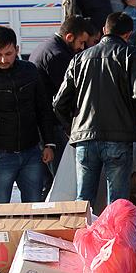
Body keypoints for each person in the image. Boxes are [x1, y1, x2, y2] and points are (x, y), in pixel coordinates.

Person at [54, 12, 136, 204]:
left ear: (104, 30)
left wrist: (72, 128)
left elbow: (59, 103)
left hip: (85, 138)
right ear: (128, 34)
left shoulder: (79, 58)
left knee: (83, 201)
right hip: (120, 138)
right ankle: (114, 226)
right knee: (117, 202)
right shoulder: (131, 54)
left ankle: (84, 226)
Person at [0, 26, 57, 204]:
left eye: (8, 54)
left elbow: (43, 109)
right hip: (0, 153)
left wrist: (49, 143)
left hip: (31, 150)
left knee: (33, 204)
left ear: (17, 50)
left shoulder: (30, 71)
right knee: (0, 206)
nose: (3, 59)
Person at [29, 15, 91, 195]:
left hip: (43, 123)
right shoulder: (58, 56)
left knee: (49, 179)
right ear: (69, 37)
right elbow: (68, 95)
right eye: (81, 42)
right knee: (59, 180)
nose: (82, 48)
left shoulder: (46, 46)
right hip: (51, 125)